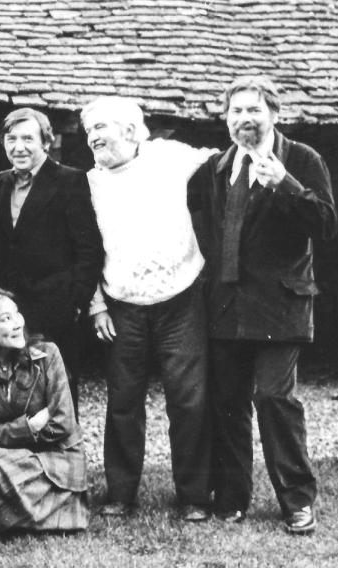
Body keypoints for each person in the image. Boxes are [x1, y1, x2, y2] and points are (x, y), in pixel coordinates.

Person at [189, 76, 337, 534]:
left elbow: (327, 224)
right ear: (226, 119)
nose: (244, 119)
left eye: (254, 110)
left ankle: (297, 499)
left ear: (274, 114)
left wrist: (286, 184)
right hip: (227, 305)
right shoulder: (216, 168)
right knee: (228, 402)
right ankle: (232, 497)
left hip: (279, 307)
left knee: (273, 397)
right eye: (236, 111)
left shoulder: (301, 159)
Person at [81, 96, 216, 521]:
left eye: (102, 127)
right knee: (123, 400)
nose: (95, 137)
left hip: (182, 296)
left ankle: (194, 495)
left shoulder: (167, 157)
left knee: (188, 399)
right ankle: (121, 494)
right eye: (90, 132)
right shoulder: (89, 182)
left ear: (131, 130)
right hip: (122, 304)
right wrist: (97, 302)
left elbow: (220, 161)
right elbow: (85, 249)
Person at [0, 287, 88, 534]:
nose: (17, 323)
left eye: (17, 314)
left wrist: (2, 428)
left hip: (54, 461)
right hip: (11, 458)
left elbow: (62, 425)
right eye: (5, 318)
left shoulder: (47, 354)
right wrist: (29, 426)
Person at [0, 108, 104, 414]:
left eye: (28, 138)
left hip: (56, 310)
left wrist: (74, 301)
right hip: (10, 311)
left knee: (58, 390)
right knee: (16, 391)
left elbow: (89, 249)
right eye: (11, 139)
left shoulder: (69, 181)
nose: (19, 147)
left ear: (46, 141)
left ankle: (65, 458)